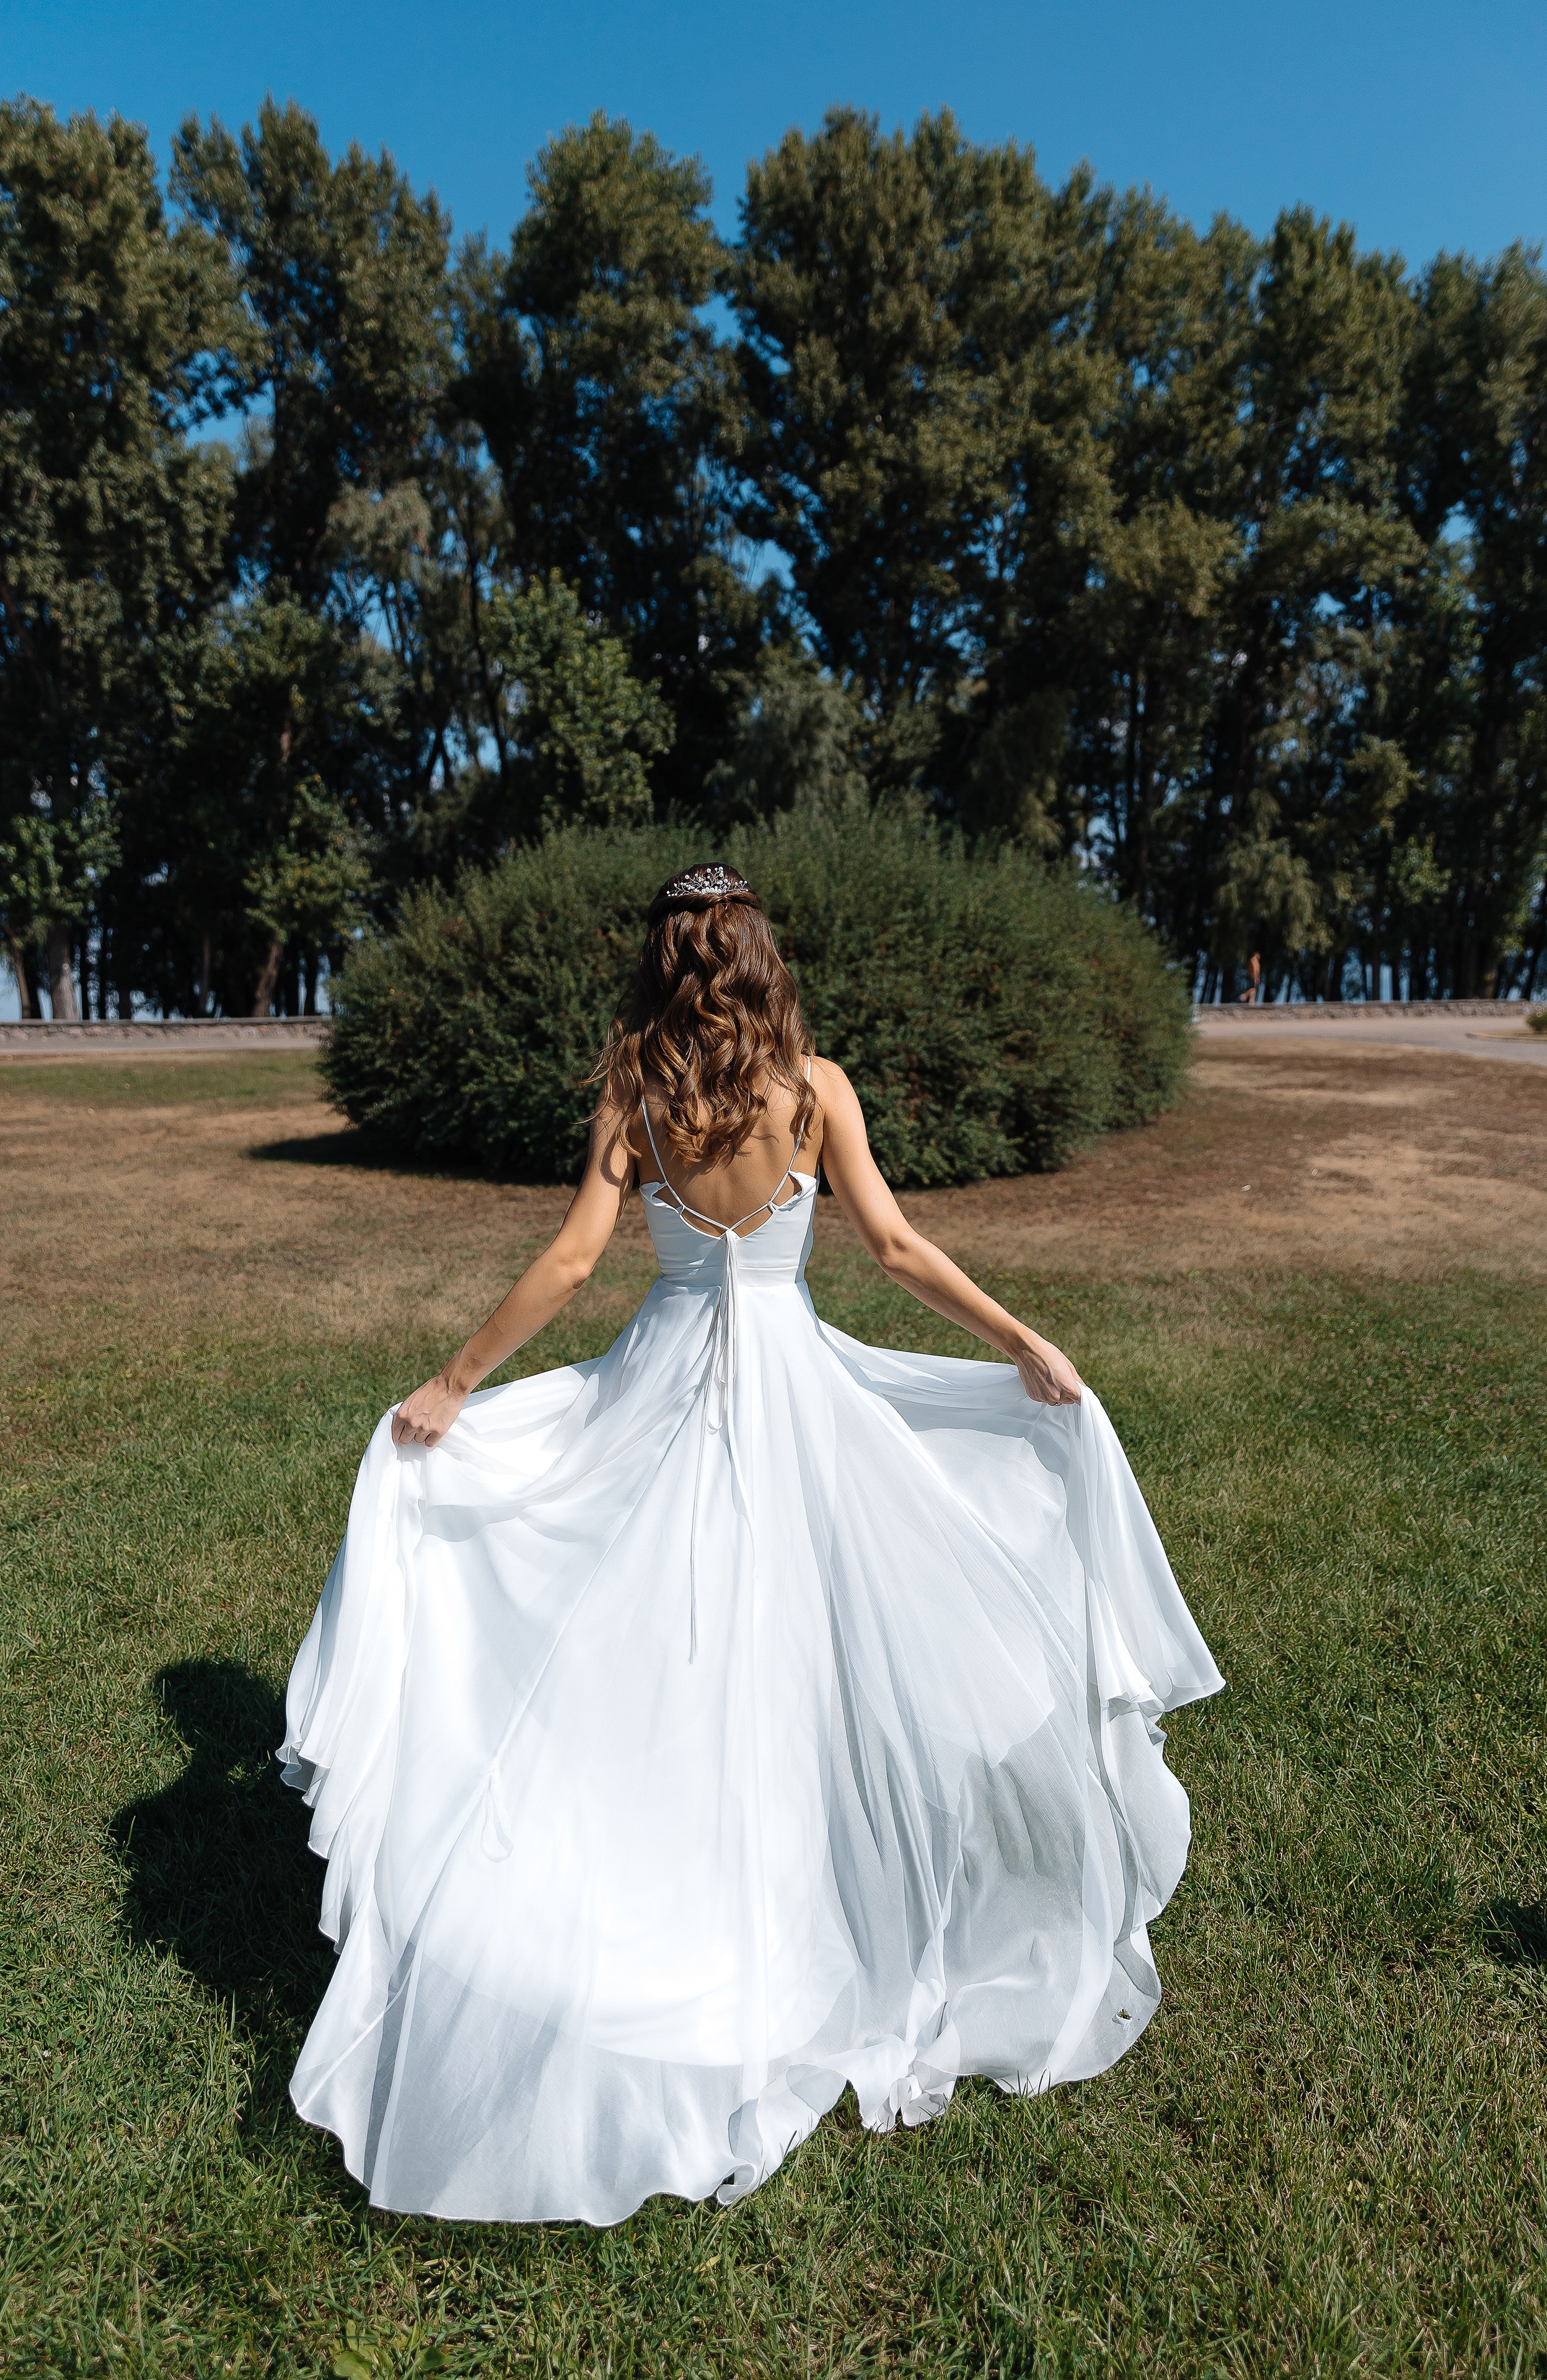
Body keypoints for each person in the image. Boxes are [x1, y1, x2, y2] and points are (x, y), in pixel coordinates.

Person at [279, 862, 1223, 2226]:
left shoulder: (637, 1089)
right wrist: (1022, 1339)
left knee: (661, 1652)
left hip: (658, 1382)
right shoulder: (814, 1088)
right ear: (763, 959)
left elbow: (568, 1264)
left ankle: (671, 1901)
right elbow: (892, 1247)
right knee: (800, 1650)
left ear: (664, 964)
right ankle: (798, 1908)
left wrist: (454, 1384)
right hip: (795, 1391)